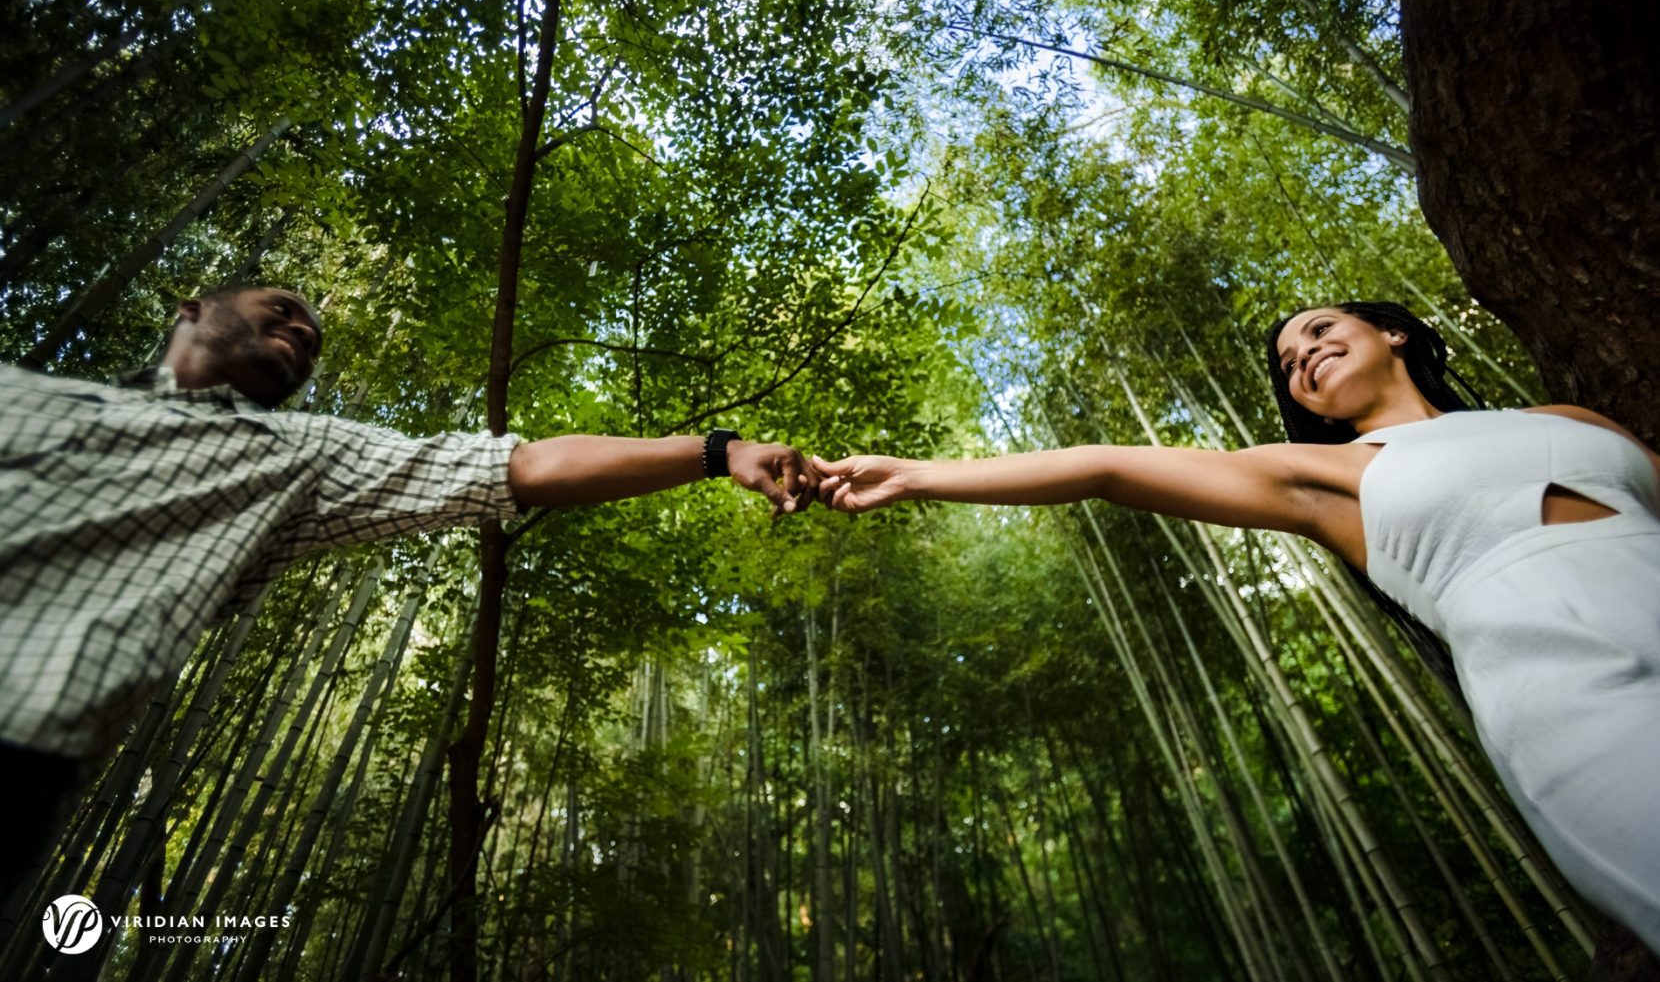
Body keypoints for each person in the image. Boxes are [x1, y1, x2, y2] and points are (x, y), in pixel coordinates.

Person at [810, 300, 1660, 955]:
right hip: (1555, 674)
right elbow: (1106, 469)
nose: (1306, 358)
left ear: (1392, 332)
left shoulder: (1569, 420)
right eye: (1291, 364)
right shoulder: (1322, 475)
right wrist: (918, 473)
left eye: (1319, 332)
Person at [0, 283, 817, 895]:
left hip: (23, 738)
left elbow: (519, 466)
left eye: (313, 343)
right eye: (281, 310)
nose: (300, 333)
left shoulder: (298, 454)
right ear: (192, 305)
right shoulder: (25, 391)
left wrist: (719, 451)